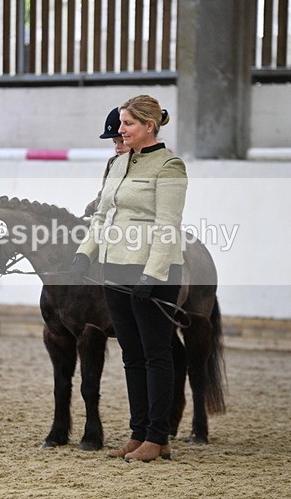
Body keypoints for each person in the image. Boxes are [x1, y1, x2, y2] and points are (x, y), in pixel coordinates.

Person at [70, 95, 186, 462]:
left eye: (127, 125)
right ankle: (139, 435)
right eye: (121, 124)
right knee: (132, 356)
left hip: (153, 271)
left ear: (149, 126)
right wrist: (83, 254)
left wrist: (151, 275)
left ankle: (158, 436)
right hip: (115, 267)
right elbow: (102, 216)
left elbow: (168, 227)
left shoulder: (170, 167)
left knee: (156, 354)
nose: (119, 131)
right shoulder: (119, 165)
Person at [83, 107, 132, 218]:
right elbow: (106, 191)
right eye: (115, 142)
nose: (118, 147)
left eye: (122, 141)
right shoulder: (113, 162)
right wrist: (93, 206)